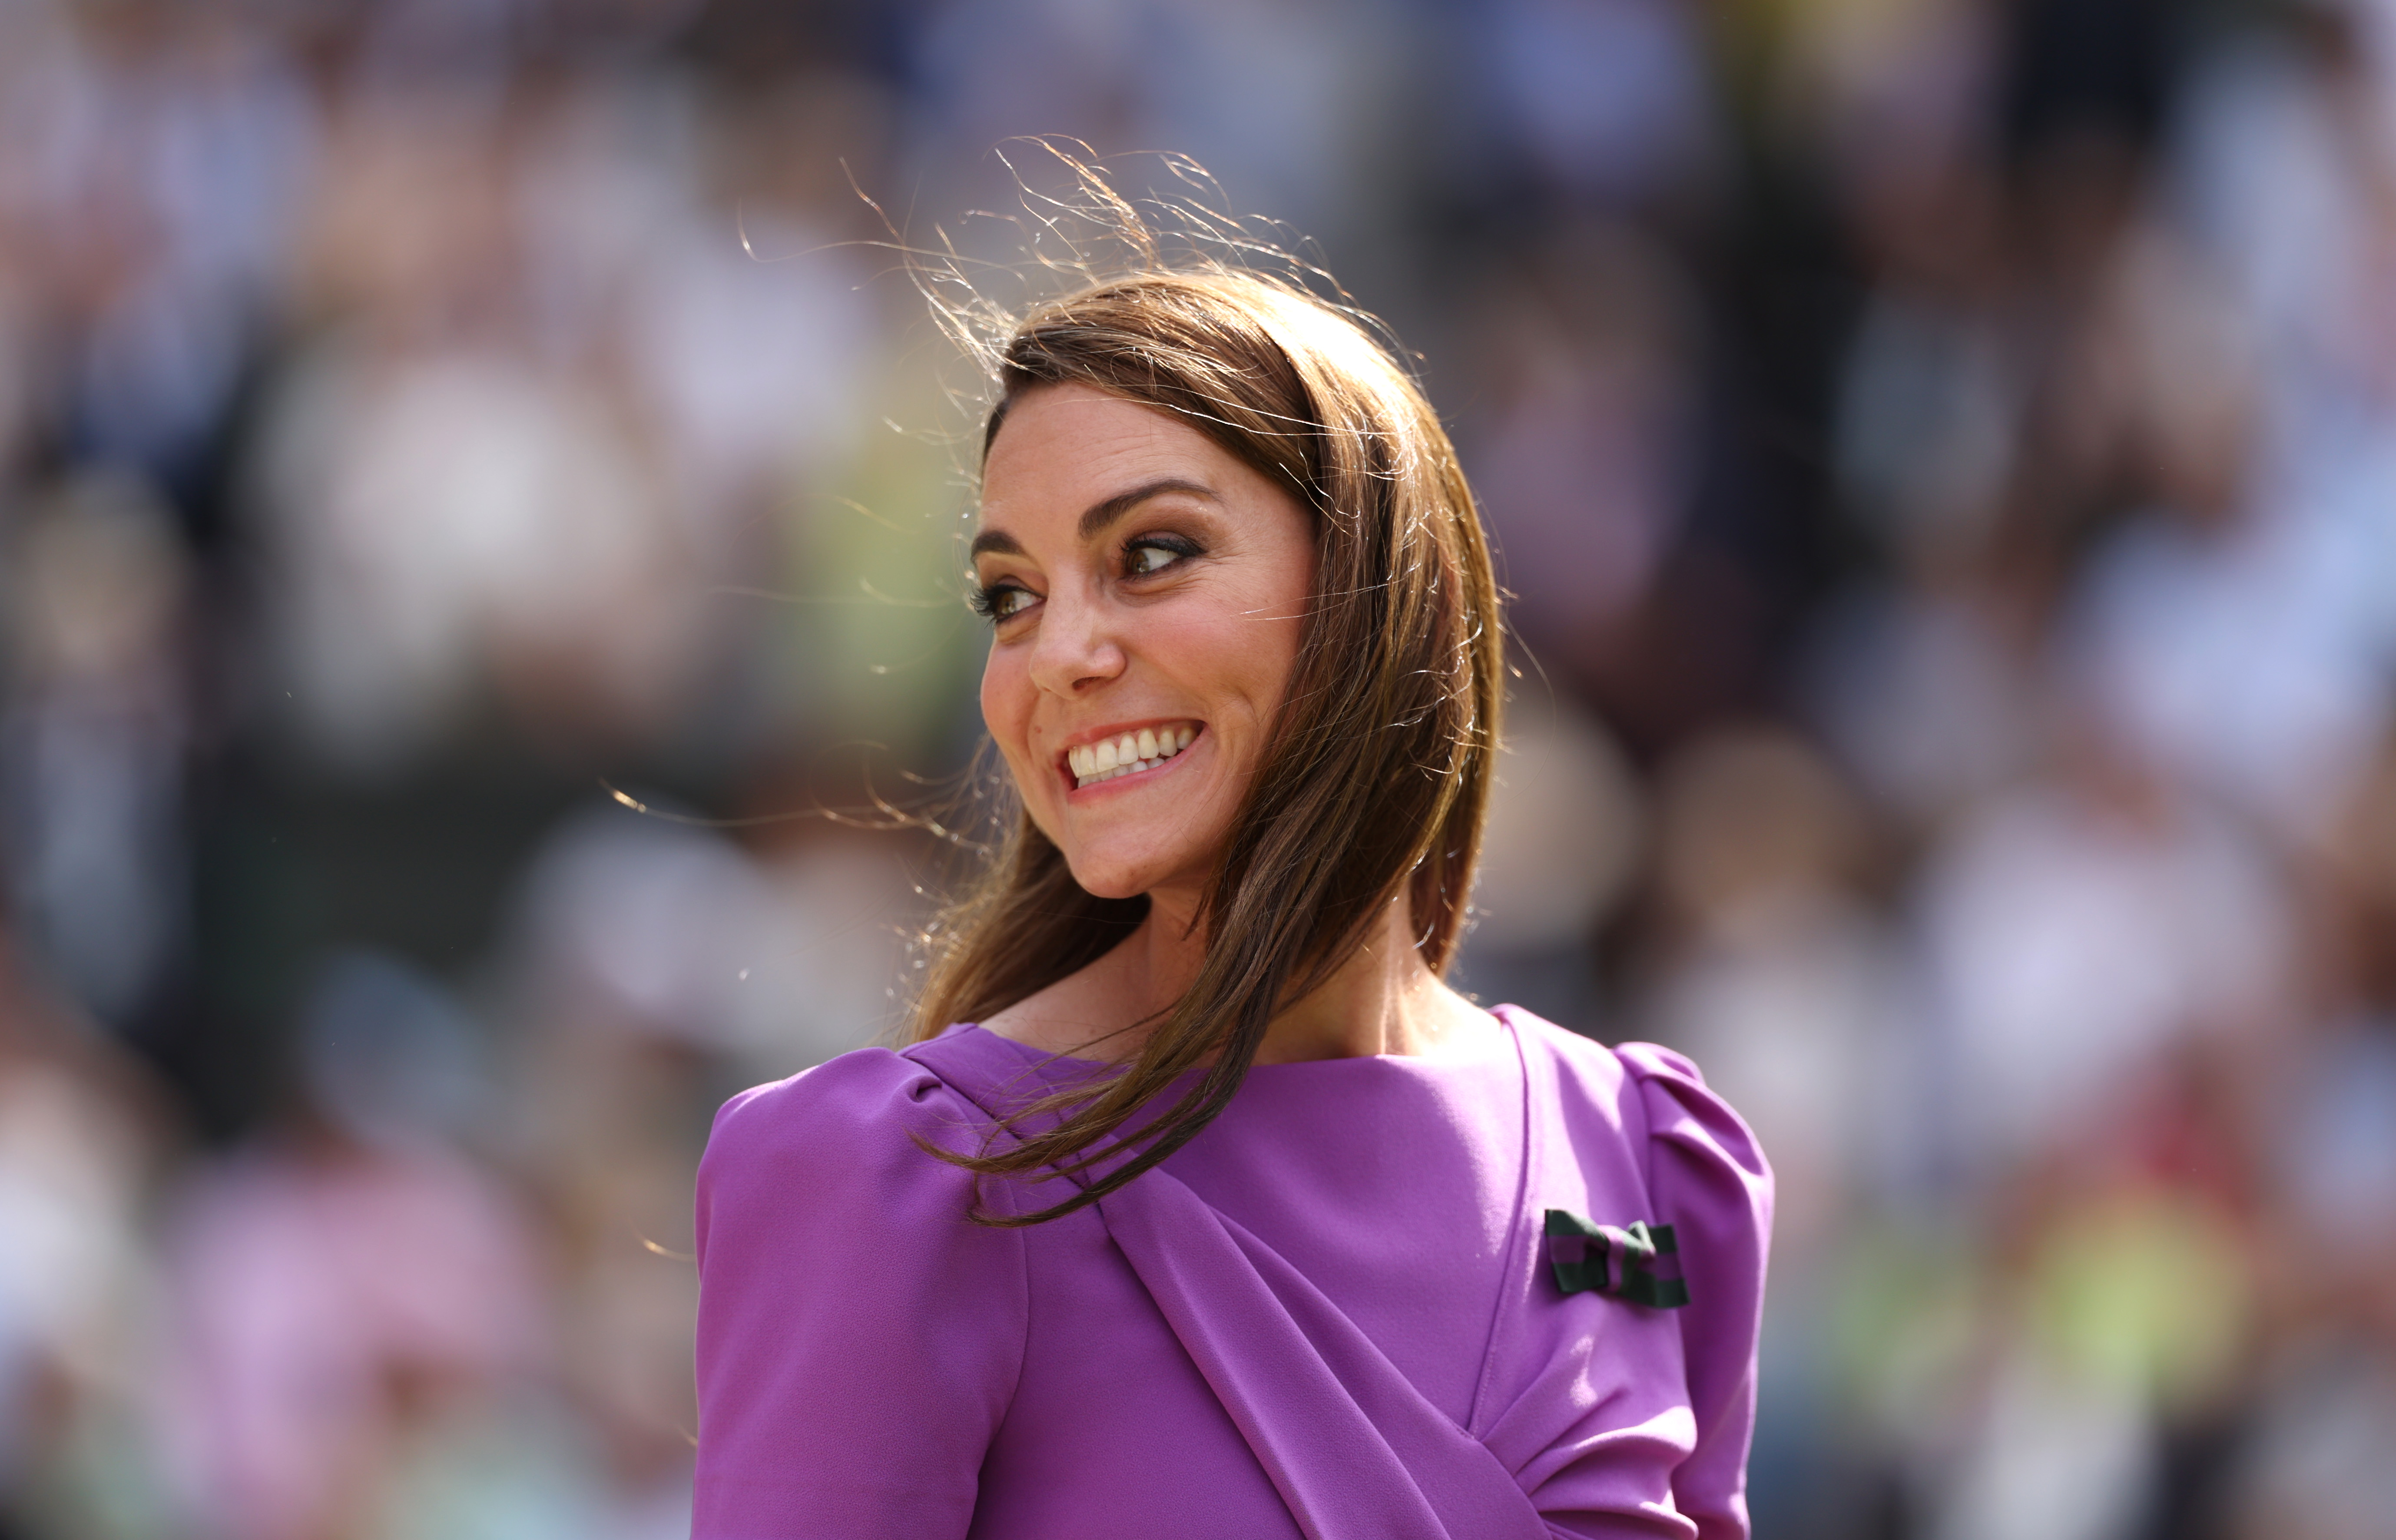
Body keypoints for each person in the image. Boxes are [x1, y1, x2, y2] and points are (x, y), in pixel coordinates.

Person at [690, 254, 1772, 1539]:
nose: (1061, 657)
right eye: (1010, 597)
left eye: (1150, 555)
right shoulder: (899, 1178)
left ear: (1384, 585)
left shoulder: (1651, 1158)